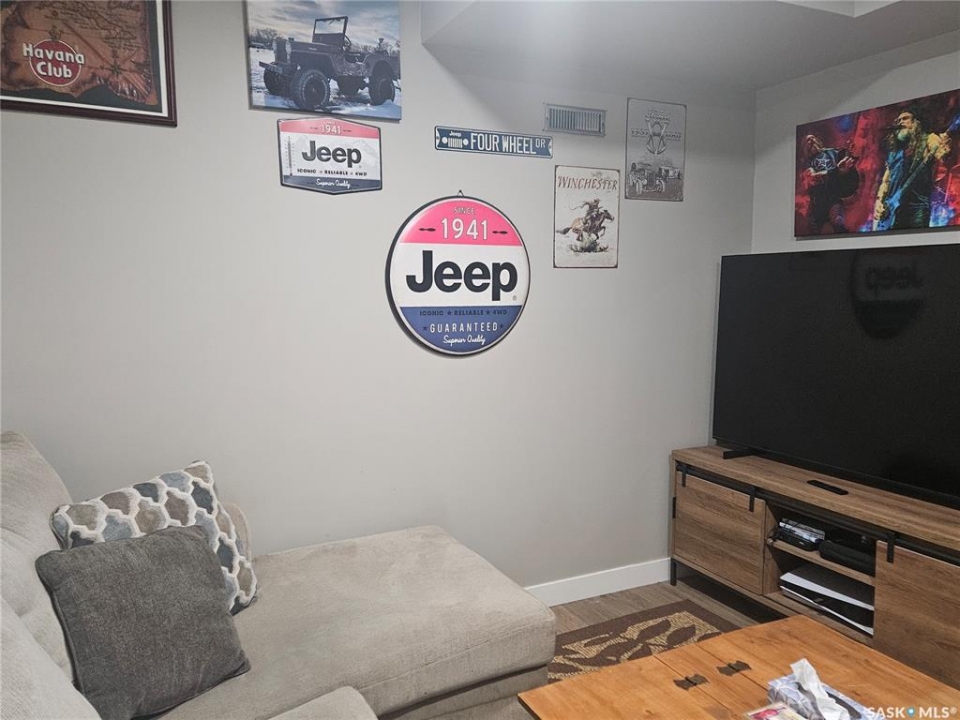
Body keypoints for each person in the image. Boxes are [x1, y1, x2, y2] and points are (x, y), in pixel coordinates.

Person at [873, 107, 952, 231]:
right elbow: (886, 180)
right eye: (898, 120)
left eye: (905, 118)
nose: (900, 122)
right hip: (890, 210)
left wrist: (946, 150)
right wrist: (879, 201)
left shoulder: (929, 138)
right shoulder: (894, 151)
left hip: (916, 208)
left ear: (916, 122)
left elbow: (943, 157)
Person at [798, 133, 860, 235]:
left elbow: (848, 166)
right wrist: (837, 170)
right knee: (815, 232)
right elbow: (813, 179)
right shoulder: (807, 163)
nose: (812, 140)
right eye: (808, 140)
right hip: (817, 202)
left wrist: (851, 153)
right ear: (804, 147)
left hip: (833, 197)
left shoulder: (832, 152)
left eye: (813, 138)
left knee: (838, 222)